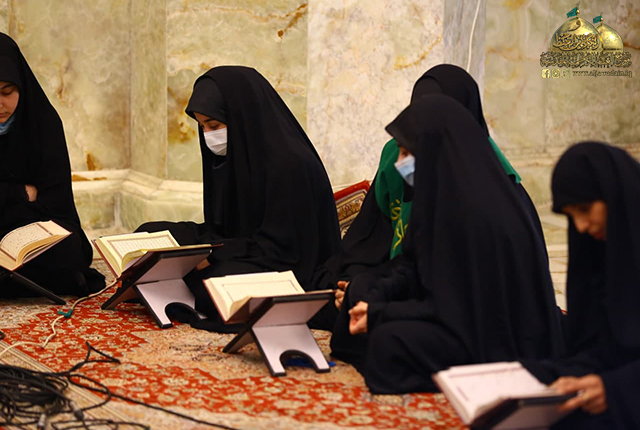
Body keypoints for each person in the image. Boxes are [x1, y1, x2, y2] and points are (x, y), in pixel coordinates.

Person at [336, 94, 564, 394]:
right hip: (451, 310)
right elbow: (412, 264)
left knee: (388, 342)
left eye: (407, 153)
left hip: (488, 333)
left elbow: (457, 307)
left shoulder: (476, 213)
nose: (400, 163)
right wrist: (374, 297)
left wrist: (381, 312)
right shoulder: (437, 193)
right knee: (360, 289)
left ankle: (465, 384)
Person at [136, 66, 341, 332]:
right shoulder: (234, 155)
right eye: (202, 126)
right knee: (149, 234)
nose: (208, 135)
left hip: (285, 262)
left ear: (242, 117)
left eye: (214, 126)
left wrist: (213, 255)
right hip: (239, 245)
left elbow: (283, 249)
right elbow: (224, 229)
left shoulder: (290, 164)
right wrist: (202, 250)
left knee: (210, 287)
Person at [522, 142, 640, 429]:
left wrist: (614, 390)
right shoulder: (605, 254)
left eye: (585, 209)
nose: (581, 226)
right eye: (571, 215)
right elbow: (602, 347)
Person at [0, 32, 104, 297]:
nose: (0, 104)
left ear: (21, 86)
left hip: (34, 233)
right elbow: (33, 197)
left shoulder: (43, 123)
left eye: (6, 92)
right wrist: (20, 193)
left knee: (69, 251)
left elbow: (56, 202)